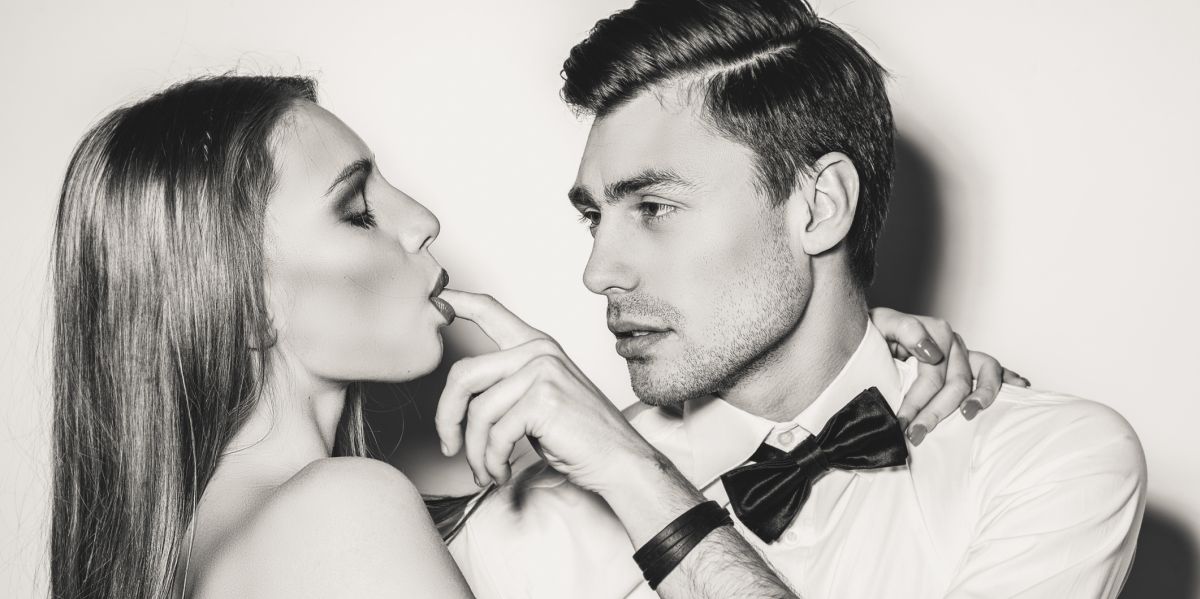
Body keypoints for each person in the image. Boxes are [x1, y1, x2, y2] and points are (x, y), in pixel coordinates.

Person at [49, 75, 1006, 598]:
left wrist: (846, 361)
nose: (421, 221)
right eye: (356, 210)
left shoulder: (225, 537)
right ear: (239, 295)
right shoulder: (340, 514)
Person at [442, 1, 1148, 598]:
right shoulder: (520, 527)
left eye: (654, 207)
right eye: (594, 217)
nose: (598, 272)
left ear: (819, 206)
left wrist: (641, 483)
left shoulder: (1045, 460)